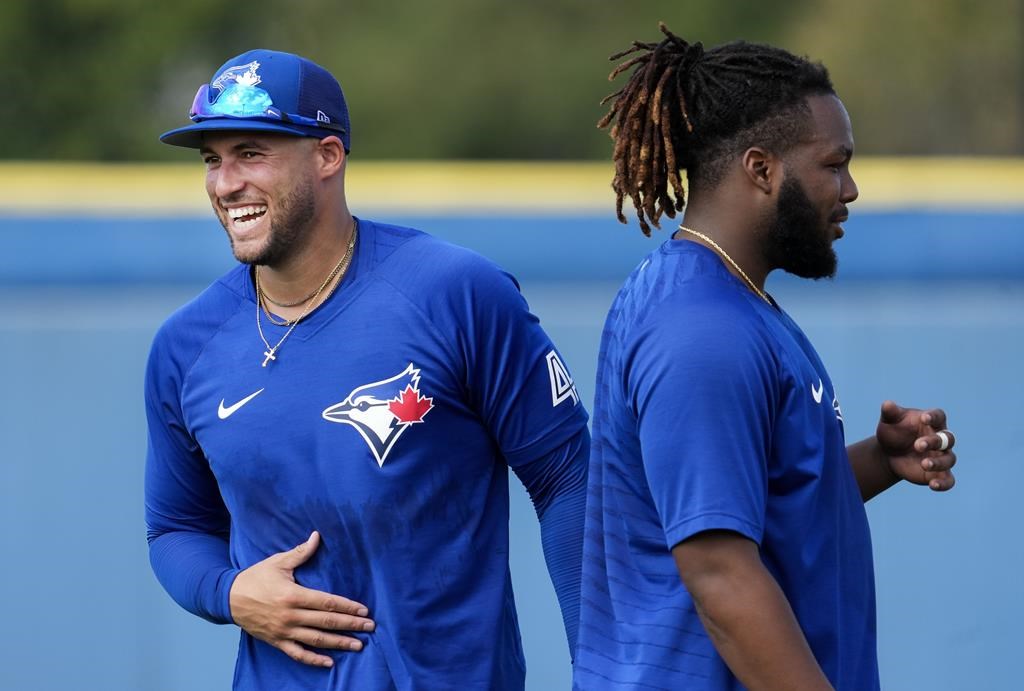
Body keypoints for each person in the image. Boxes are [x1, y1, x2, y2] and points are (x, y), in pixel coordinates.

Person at [144, 49, 589, 690]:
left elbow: (569, 480)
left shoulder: (453, 292)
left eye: (251, 153)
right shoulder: (186, 346)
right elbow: (176, 527)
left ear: (327, 155)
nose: (224, 183)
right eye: (212, 160)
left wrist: (605, 672)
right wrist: (229, 591)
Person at [573, 24, 958, 691]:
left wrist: (875, 460)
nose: (850, 188)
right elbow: (721, 576)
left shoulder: (726, 299)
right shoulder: (699, 329)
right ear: (761, 168)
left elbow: (751, 497)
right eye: (833, 164)